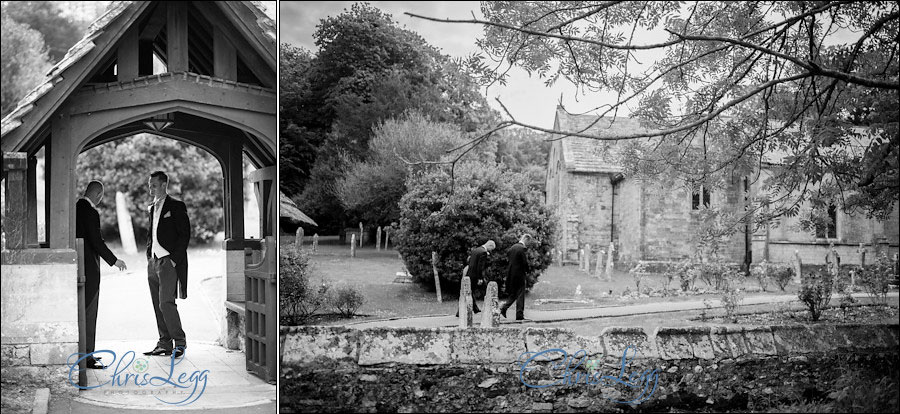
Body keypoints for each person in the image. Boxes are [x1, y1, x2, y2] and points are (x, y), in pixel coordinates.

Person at [75, 181, 127, 369]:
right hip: (89, 269)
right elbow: (96, 242)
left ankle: (85, 354)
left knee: (83, 311)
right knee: (89, 312)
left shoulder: (75, 207)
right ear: (98, 195)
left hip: (78, 266)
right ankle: (87, 357)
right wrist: (115, 261)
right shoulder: (90, 211)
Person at [143, 171, 190, 359]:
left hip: (168, 261)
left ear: (163, 185)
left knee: (166, 303)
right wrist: (149, 255)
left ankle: (180, 343)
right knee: (157, 304)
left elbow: (185, 235)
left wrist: (173, 259)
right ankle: (164, 343)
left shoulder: (176, 206)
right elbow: (151, 233)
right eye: (149, 184)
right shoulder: (152, 207)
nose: (150, 188)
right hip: (153, 261)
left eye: (154, 184)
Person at [456, 240, 495, 316]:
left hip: (469, 274)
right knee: (486, 290)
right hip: (476, 275)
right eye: (491, 249)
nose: (491, 251)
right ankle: (491, 307)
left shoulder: (476, 250)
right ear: (489, 245)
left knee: (469, 291)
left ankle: (473, 309)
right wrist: (480, 278)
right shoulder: (483, 252)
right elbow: (480, 266)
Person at [501, 234, 532, 320]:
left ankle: (504, 308)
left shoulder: (512, 248)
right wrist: (528, 271)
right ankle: (519, 315)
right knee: (521, 294)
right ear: (526, 239)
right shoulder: (522, 249)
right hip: (519, 274)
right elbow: (524, 262)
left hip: (511, 274)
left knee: (514, 294)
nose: (527, 244)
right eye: (528, 242)